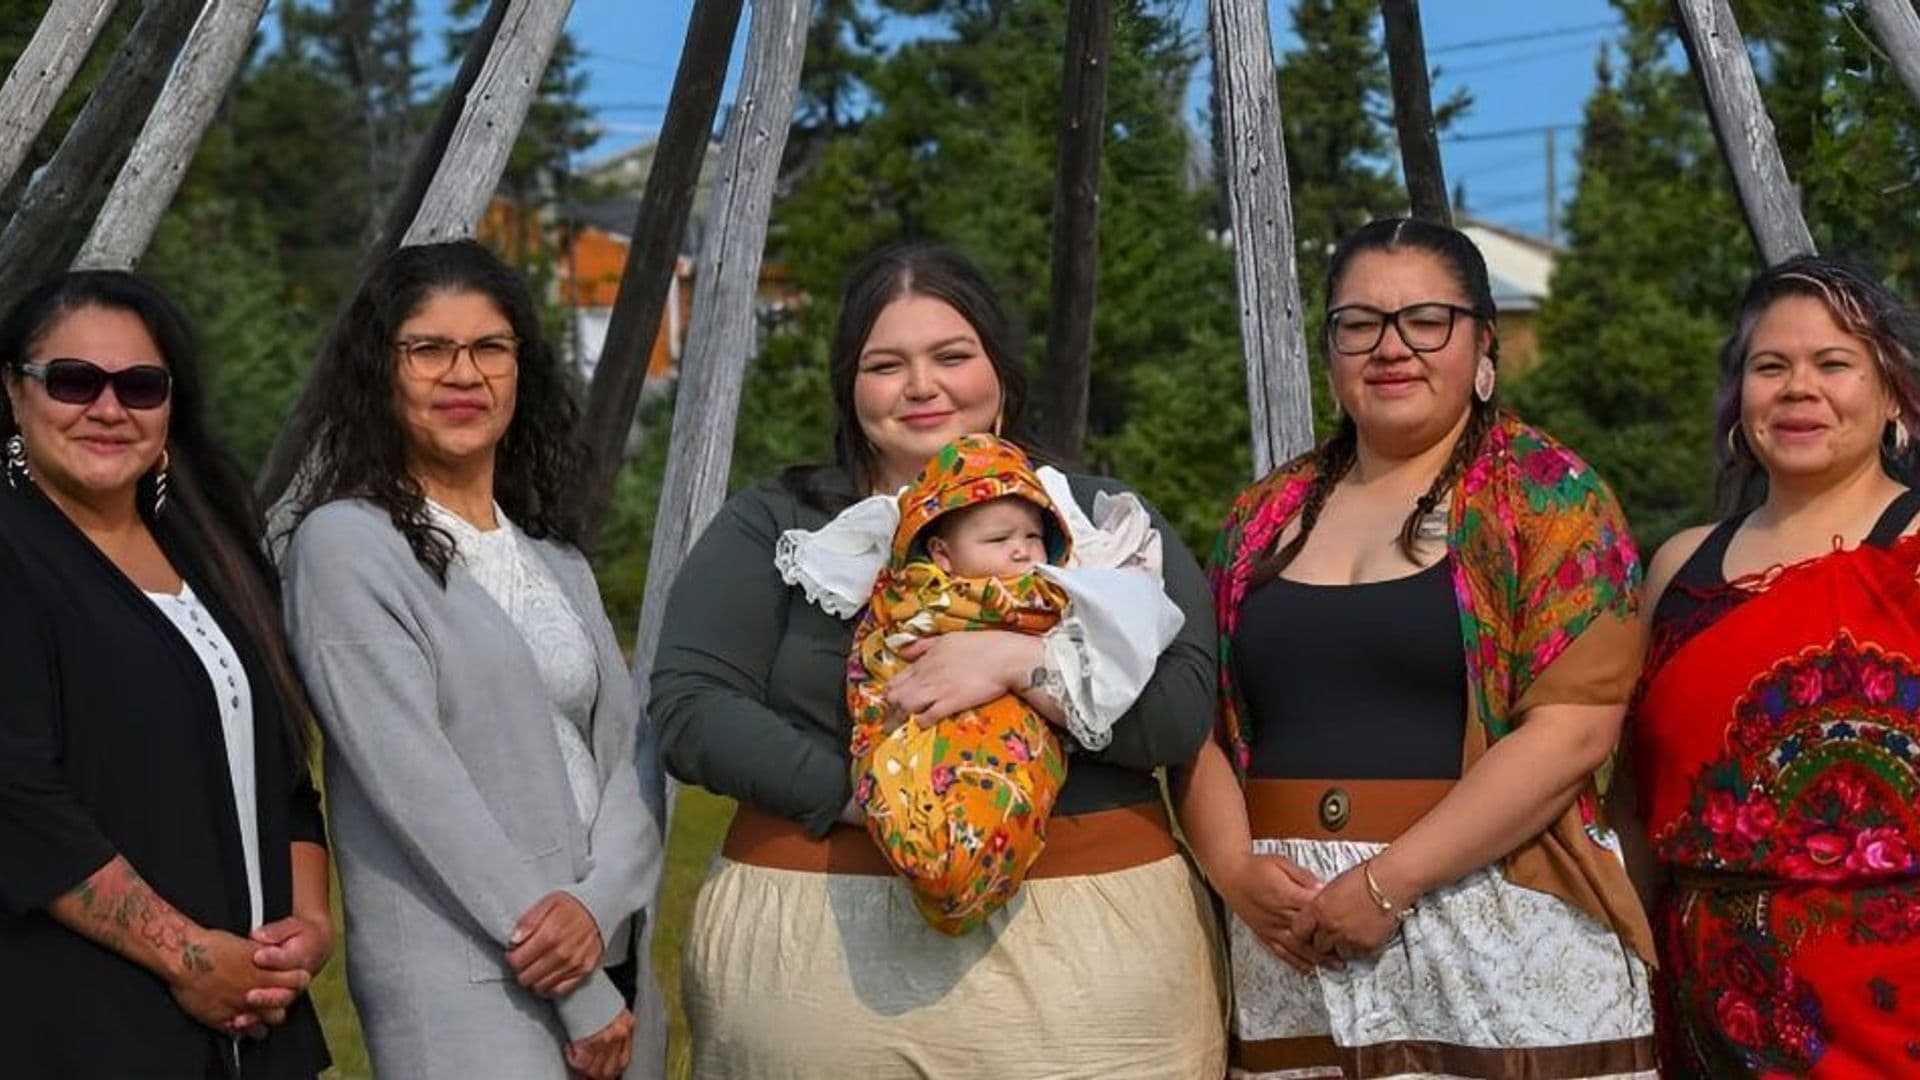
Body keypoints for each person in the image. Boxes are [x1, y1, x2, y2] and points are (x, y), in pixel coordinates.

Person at [652, 243, 1227, 1076]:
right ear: (851, 386)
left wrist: (1019, 662)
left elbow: (1177, 715)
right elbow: (691, 705)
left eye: (952, 356)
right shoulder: (781, 527)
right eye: (887, 364)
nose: (923, 386)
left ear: (999, 370)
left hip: (1087, 981)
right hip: (822, 963)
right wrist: (877, 801)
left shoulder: (1101, 527)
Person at [1183, 217, 1657, 1078]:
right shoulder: (1261, 518)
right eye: (1358, 323)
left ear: (1483, 344)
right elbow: (1200, 721)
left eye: (1425, 320)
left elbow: (1575, 730)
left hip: (1490, 914)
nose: (1390, 347)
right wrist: (1231, 868)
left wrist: (1386, 883)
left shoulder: (1551, 499)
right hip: (1290, 933)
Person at [277, 240, 664, 1080]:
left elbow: (633, 756)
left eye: (490, 347)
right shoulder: (346, 548)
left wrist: (599, 914)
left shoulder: (556, 561)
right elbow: (419, 790)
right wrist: (577, 983)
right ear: (381, 371)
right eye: (428, 349)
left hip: (616, 958)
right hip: (469, 982)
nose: (465, 373)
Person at [0, 271, 331, 1077]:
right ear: (14, 392)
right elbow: (17, 800)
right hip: (81, 1028)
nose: (108, 409)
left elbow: (285, 778)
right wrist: (188, 959)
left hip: (255, 1027)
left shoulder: (210, 550)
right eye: (74, 381)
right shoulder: (12, 552)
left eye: (140, 385)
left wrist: (310, 929)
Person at [1626, 256, 1920, 1076]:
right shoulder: (1678, 572)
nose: (1799, 389)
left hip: (1891, 1012)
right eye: (1771, 367)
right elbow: (1634, 804)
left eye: (1834, 365)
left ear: (1892, 395)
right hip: (1701, 1005)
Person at [838, 432, 1182, 935]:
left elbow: (1105, 653)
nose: (1021, 552)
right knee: (911, 789)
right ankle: (930, 848)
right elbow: (880, 654)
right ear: (941, 553)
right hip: (921, 727)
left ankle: (968, 867)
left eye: (1032, 535)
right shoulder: (908, 595)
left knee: (997, 804)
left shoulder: (1064, 593)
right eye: (999, 540)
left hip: (1009, 743)